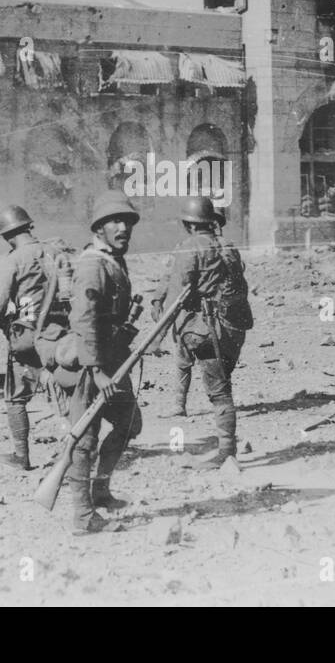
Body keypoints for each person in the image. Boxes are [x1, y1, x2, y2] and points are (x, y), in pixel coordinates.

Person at [53, 190, 143, 535]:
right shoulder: (93, 264)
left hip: (113, 361)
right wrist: (96, 370)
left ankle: (101, 489)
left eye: (127, 221)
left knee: (128, 424)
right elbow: (85, 320)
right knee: (85, 438)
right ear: (100, 227)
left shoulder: (114, 259)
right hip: (93, 367)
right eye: (115, 222)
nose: (123, 227)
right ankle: (82, 515)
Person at [154, 196, 251, 470]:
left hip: (206, 330)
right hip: (233, 328)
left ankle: (227, 453)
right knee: (223, 384)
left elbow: (176, 294)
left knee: (220, 393)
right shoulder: (229, 247)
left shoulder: (189, 247)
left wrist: (159, 336)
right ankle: (228, 449)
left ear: (189, 224)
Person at [0, 204, 68, 470]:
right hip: (60, 335)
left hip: (29, 336)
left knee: (15, 398)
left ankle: (22, 457)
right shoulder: (55, 251)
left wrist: (5, 326)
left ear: (8, 235)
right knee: (65, 391)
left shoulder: (14, 259)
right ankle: (73, 451)